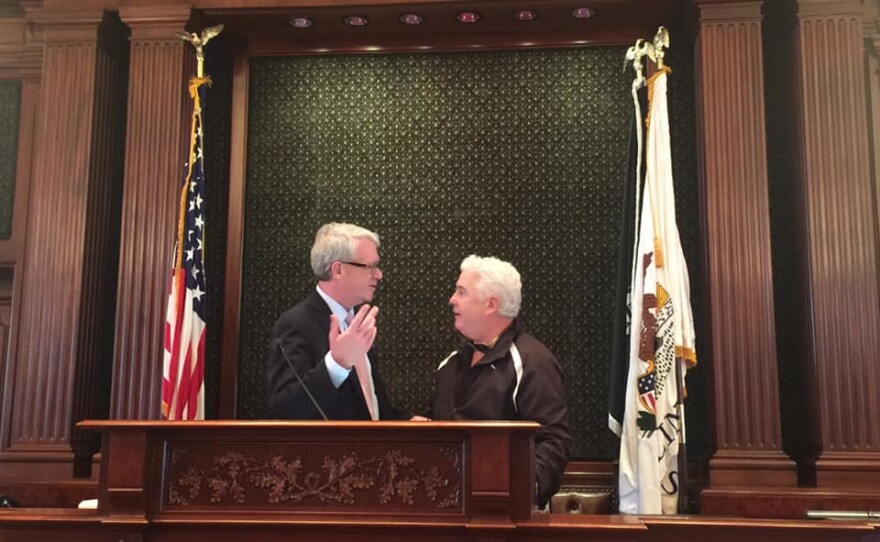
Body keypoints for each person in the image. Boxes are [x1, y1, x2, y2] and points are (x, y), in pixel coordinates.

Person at [417, 255, 572, 507]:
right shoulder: (451, 363)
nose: (451, 300)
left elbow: (553, 440)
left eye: (461, 292)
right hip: (443, 509)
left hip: (504, 518)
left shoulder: (532, 362)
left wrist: (521, 491)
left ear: (491, 304)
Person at [267, 222, 400, 420]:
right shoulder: (296, 323)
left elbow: (370, 406)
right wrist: (336, 364)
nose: (379, 274)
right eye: (370, 267)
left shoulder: (358, 322)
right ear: (338, 270)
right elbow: (284, 407)